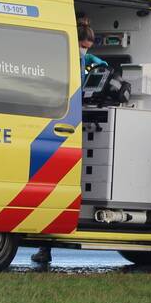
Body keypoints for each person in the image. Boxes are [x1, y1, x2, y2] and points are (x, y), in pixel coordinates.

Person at [32, 14, 105, 265]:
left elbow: (100, 63)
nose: (86, 51)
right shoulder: (70, 61)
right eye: (84, 47)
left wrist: (93, 61)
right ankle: (45, 247)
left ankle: (45, 249)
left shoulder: (77, 59)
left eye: (88, 48)